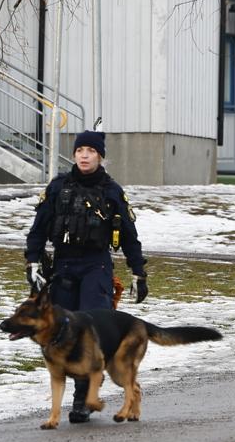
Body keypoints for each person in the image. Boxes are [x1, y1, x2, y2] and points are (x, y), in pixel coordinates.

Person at [23, 130, 148, 423]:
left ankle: (82, 400)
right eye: (80, 150)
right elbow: (38, 229)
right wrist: (32, 262)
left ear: (100, 156)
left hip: (96, 266)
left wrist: (138, 271)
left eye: (91, 150)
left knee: (90, 334)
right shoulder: (57, 188)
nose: (84, 155)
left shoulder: (112, 191)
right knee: (62, 332)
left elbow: (130, 236)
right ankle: (76, 389)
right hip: (63, 265)